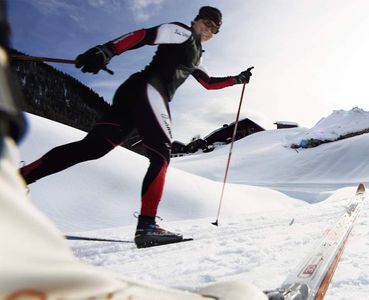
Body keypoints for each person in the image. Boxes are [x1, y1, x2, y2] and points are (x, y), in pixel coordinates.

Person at [19, 6, 253, 248]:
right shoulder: (181, 32)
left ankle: (21, 178)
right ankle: (147, 226)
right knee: (161, 156)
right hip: (149, 91)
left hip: (134, 94)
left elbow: (208, 83)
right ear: (196, 20)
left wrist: (236, 79)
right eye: (205, 23)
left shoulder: (197, 56)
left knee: (93, 148)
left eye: (213, 29)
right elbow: (143, 35)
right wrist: (107, 50)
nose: (207, 29)